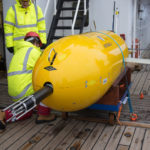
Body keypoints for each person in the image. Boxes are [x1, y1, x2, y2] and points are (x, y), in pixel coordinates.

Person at [0, 32, 56, 131]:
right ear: (36, 42)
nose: (39, 47)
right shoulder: (34, 52)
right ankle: (43, 114)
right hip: (23, 91)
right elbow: (48, 68)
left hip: (13, 92)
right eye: (39, 44)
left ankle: (5, 114)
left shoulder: (18, 52)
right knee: (48, 83)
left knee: (27, 113)